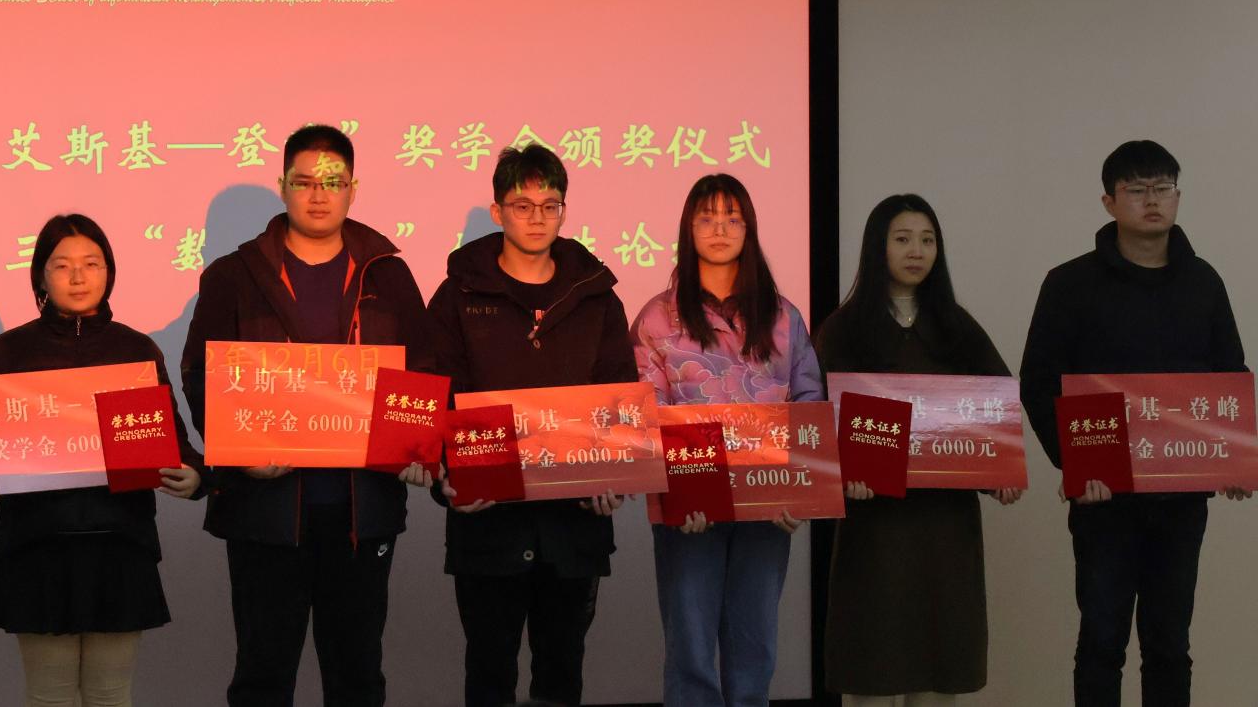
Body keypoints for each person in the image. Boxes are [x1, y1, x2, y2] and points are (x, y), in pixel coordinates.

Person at [179, 122, 436, 707]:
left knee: (357, 676)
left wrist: (416, 447)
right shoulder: (233, 275)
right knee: (263, 676)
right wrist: (240, 452)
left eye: (333, 182)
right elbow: (200, 374)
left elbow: (422, 373)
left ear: (353, 190)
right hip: (264, 511)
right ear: (283, 187)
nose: (319, 195)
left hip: (362, 509)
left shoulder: (387, 274)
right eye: (304, 182)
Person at [1019, 140, 1251, 707]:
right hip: (1104, 497)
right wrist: (1076, 464)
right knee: (1102, 642)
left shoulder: (1204, 282)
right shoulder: (1069, 284)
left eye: (1163, 187)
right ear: (1109, 201)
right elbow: (1039, 380)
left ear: (1178, 196)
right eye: (1137, 189)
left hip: (1181, 499)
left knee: (1170, 644)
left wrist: (1235, 458)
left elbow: (1230, 376)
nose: (1153, 200)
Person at [0, 213, 205, 707]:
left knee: (111, 694)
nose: (77, 276)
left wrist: (196, 476)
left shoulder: (135, 350)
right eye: (62, 265)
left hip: (120, 542)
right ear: (40, 276)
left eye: (91, 263)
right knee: (49, 696)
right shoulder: (9, 352)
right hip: (37, 546)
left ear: (109, 271)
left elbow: (173, 443)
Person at [425, 143, 637, 707]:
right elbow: (434, 394)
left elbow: (618, 394)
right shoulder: (457, 296)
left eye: (550, 205)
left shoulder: (596, 298)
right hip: (487, 525)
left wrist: (616, 477)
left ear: (564, 211)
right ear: (498, 212)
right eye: (522, 205)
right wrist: (447, 475)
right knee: (489, 675)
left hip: (573, 528)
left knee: (561, 677)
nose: (537, 218)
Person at [816, 194, 1024, 707]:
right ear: (877, 247)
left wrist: (1000, 475)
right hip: (875, 527)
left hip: (945, 527)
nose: (917, 251)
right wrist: (843, 472)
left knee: (939, 666)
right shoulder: (844, 328)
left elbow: (996, 412)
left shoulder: (958, 326)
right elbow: (816, 419)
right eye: (903, 239)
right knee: (873, 665)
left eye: (928, 240)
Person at [631, 172, 821, 707]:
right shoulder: (656, 318)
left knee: (753, 654)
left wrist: (800, 494)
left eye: (732, 218)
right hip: (689, 512)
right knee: (691, 655)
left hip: (766, 509)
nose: (719, 229)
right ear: (688, 229)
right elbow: (648, 415)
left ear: (749, 229)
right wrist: (680, 495)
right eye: (707, 218)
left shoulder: (783, 317)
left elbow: (809, 405)